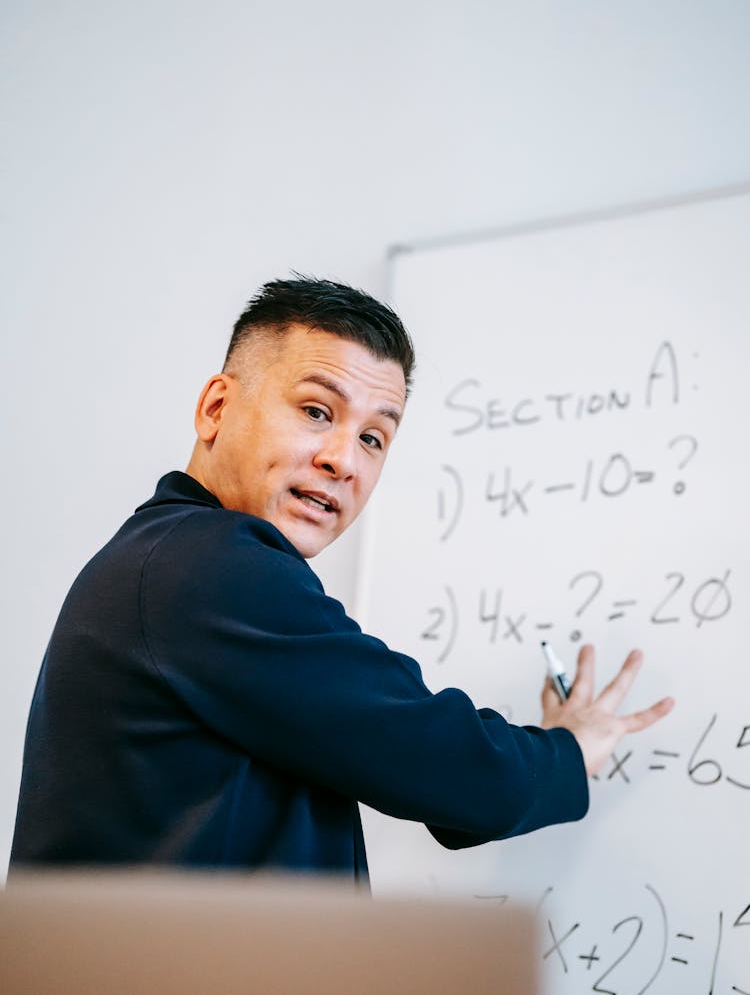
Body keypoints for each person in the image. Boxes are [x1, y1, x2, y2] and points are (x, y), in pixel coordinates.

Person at [10, 277, 673, 882]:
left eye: (375, 438)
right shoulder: (213, 563)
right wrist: (571, 748)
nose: (343, 460)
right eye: (317, 411)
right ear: (215, 407)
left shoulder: (160, 555)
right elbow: (438, 760)